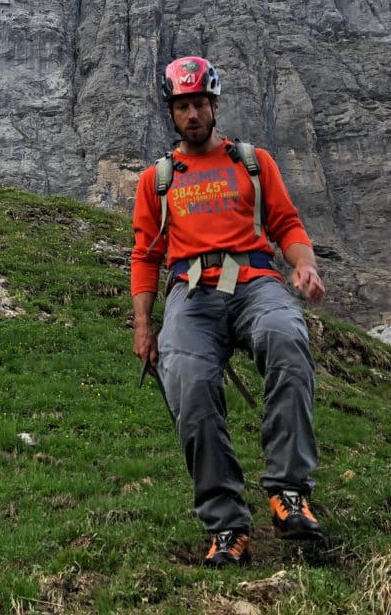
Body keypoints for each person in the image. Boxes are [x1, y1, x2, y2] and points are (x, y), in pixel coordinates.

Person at [130, 56, 327, 568]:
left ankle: (287, 492)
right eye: (182, 106)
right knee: (189, 383)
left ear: (215, 106)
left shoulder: (253, 162)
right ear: (171, 113)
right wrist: (144, 327)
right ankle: (226, 526)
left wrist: (304, 267)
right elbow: (146, 255)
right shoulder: (157, 180)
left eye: (199, 103)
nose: (192, 114)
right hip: (190, 294)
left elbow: (286, 224)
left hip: (257, 281)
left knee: (286, 338)